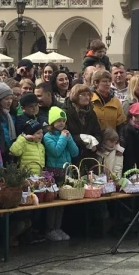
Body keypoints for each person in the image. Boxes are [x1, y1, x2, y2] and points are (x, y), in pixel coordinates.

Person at [42, 109, 78, 241]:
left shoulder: (67, 135)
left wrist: (69, 139)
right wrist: (63, 138)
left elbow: (75, 152)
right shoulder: (48, 136)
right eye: (59, 121)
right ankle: (50, 229)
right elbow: (56, 151)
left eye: (63, 121)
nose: (62, 123)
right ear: (52, 122)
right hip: (54, 171)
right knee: (54, 200)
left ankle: (58, 227)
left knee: (62, 200)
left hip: (66, 170)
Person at [65, 84, 103, 162]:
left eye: (88, 95)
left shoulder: (91, 113)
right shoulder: (66, 112)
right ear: (75, 96)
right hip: (71, 154)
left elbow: (98, 133)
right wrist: (81, 138)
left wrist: (96, 145)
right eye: (83, 95)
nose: (87, 97)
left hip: (89, 155)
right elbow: (64, 134)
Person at [0, 82, 16, 165]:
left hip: (12, 149)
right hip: (2, 150)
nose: (9, 101)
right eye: (6, 99)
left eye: (11, 98)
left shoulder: (12, 114)